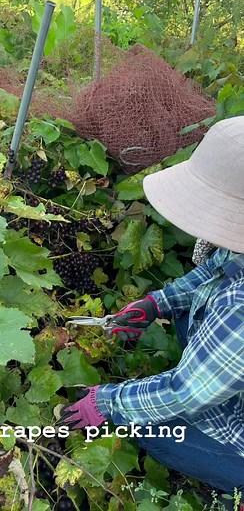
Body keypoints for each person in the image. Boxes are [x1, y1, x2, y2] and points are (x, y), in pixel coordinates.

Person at [60, 117, 244, 509]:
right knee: (185, 315)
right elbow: (216, 270)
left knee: (151, 428)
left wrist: (108, 402)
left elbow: (187, 392)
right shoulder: (238, 249)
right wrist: (158, 302)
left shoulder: (240, 307)